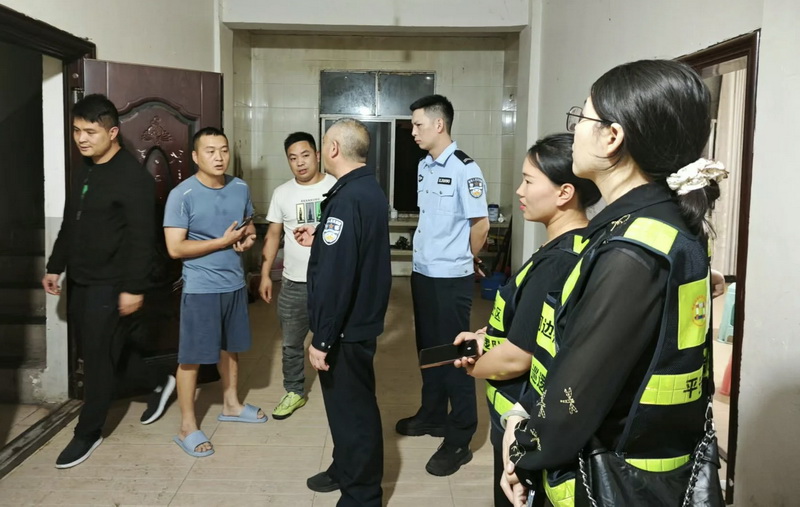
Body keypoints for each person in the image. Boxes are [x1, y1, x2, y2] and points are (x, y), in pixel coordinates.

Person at [500, 60, 726, 506]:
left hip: (615, 477)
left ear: (612, 137)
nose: (575, 132)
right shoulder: (653, 224)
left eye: (582, 118)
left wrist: (522, 446)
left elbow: (577, 394)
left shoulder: (632, 251)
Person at [452, 133, 600, 506]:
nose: (520, 190)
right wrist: (489, 335)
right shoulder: (580, 243)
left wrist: (474, 365)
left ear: (564, 193)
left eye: (529, 181)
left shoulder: (557, 262)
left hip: (524, 418)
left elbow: (519, 357)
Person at [42, 94, 175, 469]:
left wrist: (133, 288)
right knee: (102, 348)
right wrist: (55, 265)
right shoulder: (84, 169)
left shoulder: (132, 178)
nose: (81, 139)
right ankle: (157, 379)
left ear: (113, 132)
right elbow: (72, 221)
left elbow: (141, 240)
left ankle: (88, 433)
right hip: (82, 279)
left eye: (90, 131)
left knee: (97, 361)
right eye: (76, 131)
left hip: (113, 282)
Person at [294, 118, 391, 506]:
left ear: (333, 149)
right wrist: (321, 236)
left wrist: (322, 338)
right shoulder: (364, 189)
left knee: (354, 413)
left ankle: (362, 494)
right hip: (357, 320)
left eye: (322, 145)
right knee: (344, 409)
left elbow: (337, 278)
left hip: (346, 327)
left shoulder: (348, 198)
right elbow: (355, 247)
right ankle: (344, 467)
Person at [395, 94, 489, 476]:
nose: (413, 132)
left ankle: (460, 437)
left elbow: (480, 225)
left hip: (451, 277)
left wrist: (465, 259)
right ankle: (432, 414)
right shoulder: (424, 166)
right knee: (428, 349)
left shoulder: (467, 169)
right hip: (424, 272)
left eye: (418, 125)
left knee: (455, 356)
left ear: (439, 124)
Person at [163, 127, 265, 458]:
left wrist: (248, 239)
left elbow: (249, 228)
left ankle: (232, 405)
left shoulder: (240, 187)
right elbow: (175, 248)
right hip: (201, 287)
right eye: (210, 151)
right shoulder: (183, 194)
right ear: (196, 156)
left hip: (234, 284)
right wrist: (222, 242)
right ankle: (187, 427)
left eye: (223, 150)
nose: (219, 157)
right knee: (191, 357)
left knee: (230, 348)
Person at [258, 131, 336, 419]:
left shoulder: (335, 186)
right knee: (291, 343)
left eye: (305, 155)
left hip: (330, 282)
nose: (300, 163)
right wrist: (265, 274)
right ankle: (294, 391)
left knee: (335, 340)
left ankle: (338, 390)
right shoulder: (282, 193)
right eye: (293, 158)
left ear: (317, 155)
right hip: (294, 283)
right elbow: (273, 236)